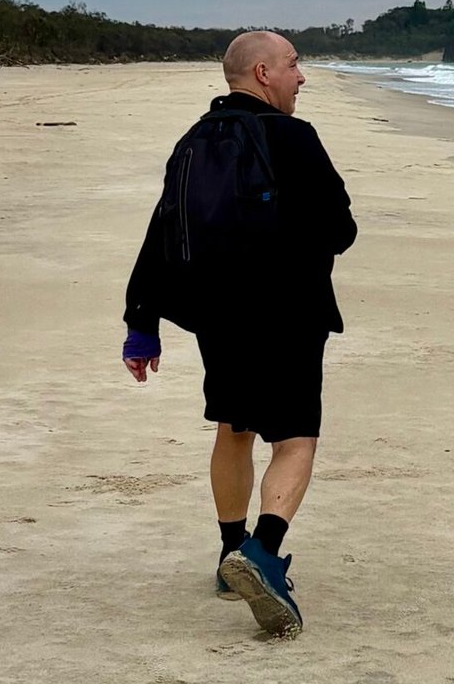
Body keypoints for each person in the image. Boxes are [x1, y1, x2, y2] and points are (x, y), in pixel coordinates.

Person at [121, 31, 357, 638]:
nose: (301, 76)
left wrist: (141, 323)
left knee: (234, 428)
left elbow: (161, 230)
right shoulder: (293, 137)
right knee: (295, 438)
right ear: (262, 73)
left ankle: (230, 553)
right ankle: (262, 552)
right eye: (293, 64)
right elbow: (340, 229)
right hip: (289, 313)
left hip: (218, 316)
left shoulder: (193, 141)